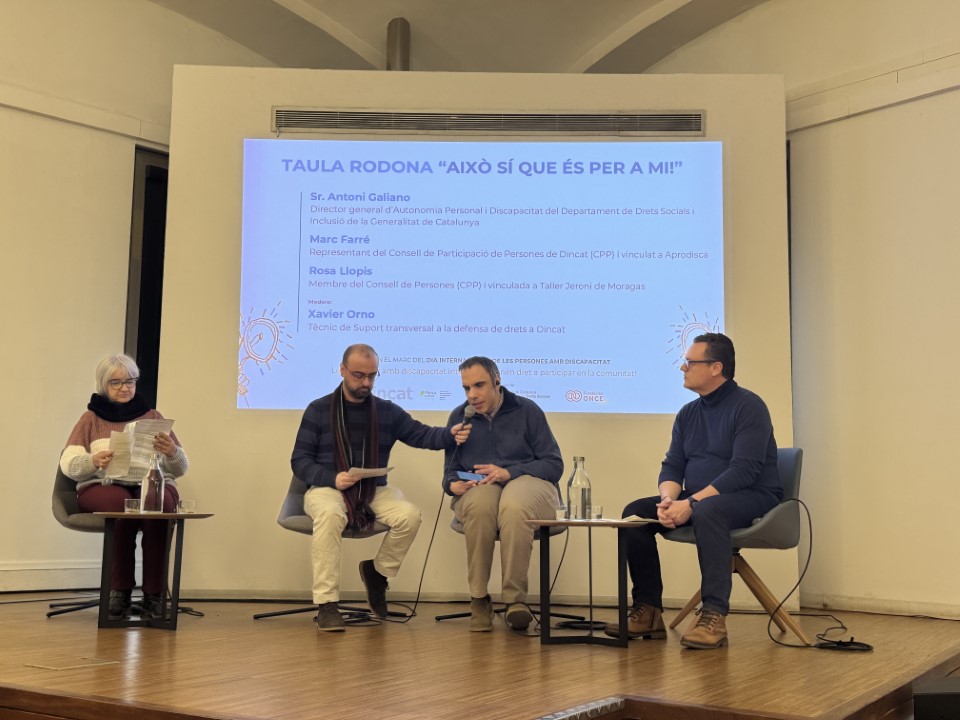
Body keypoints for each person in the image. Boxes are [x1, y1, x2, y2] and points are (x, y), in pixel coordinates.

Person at [606, 333, 780, 649]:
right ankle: (648, 611)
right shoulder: (688, 413)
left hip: (753, 495)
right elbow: (673, 465)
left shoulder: (749, 407)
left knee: (708, 509)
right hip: (702, 497)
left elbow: (744, 471)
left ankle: (714, 615)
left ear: (716, 367)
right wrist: (668, 500)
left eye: (690, 362)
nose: (682, 368)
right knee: (636, 513)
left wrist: (692, 503)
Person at [291, 344, 470, 632]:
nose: (366, 383)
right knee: (331, 515)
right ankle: (327, 604)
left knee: (409, 516)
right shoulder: (318, 409)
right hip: (327, 488)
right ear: (342, 370)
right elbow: (299, 461)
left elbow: (422, 434)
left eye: (372, 376)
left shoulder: (386, 411)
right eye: (359, 375)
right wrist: (333, 478)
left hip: (373, 489)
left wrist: (449, 434)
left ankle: (377, 572)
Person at [61, 353, 189, 619]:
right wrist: (93, 460)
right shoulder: (91, 418)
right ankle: (120, 591)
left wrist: (172, 452)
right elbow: (68, 464)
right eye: (116, 382)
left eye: (130, 381)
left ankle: (154, 595)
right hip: (104, 484)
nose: (124, 388)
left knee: (159, 504)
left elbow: (180, 468)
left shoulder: (153, 416)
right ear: (103, 384)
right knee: (121, 504)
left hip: (148, 481)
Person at [443, 356, 563, 632]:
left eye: (479, 385)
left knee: (514, 504)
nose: (472, 395)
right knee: (481, 504)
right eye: (466, 388)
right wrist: (452, 485)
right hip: (481, 487)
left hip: (529, 482)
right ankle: (478, 599)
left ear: (497, 382)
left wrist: (509, 472)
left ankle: (514, 601)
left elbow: (553, 464)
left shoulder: (527, 410)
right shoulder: (460, 417)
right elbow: (450, 473)